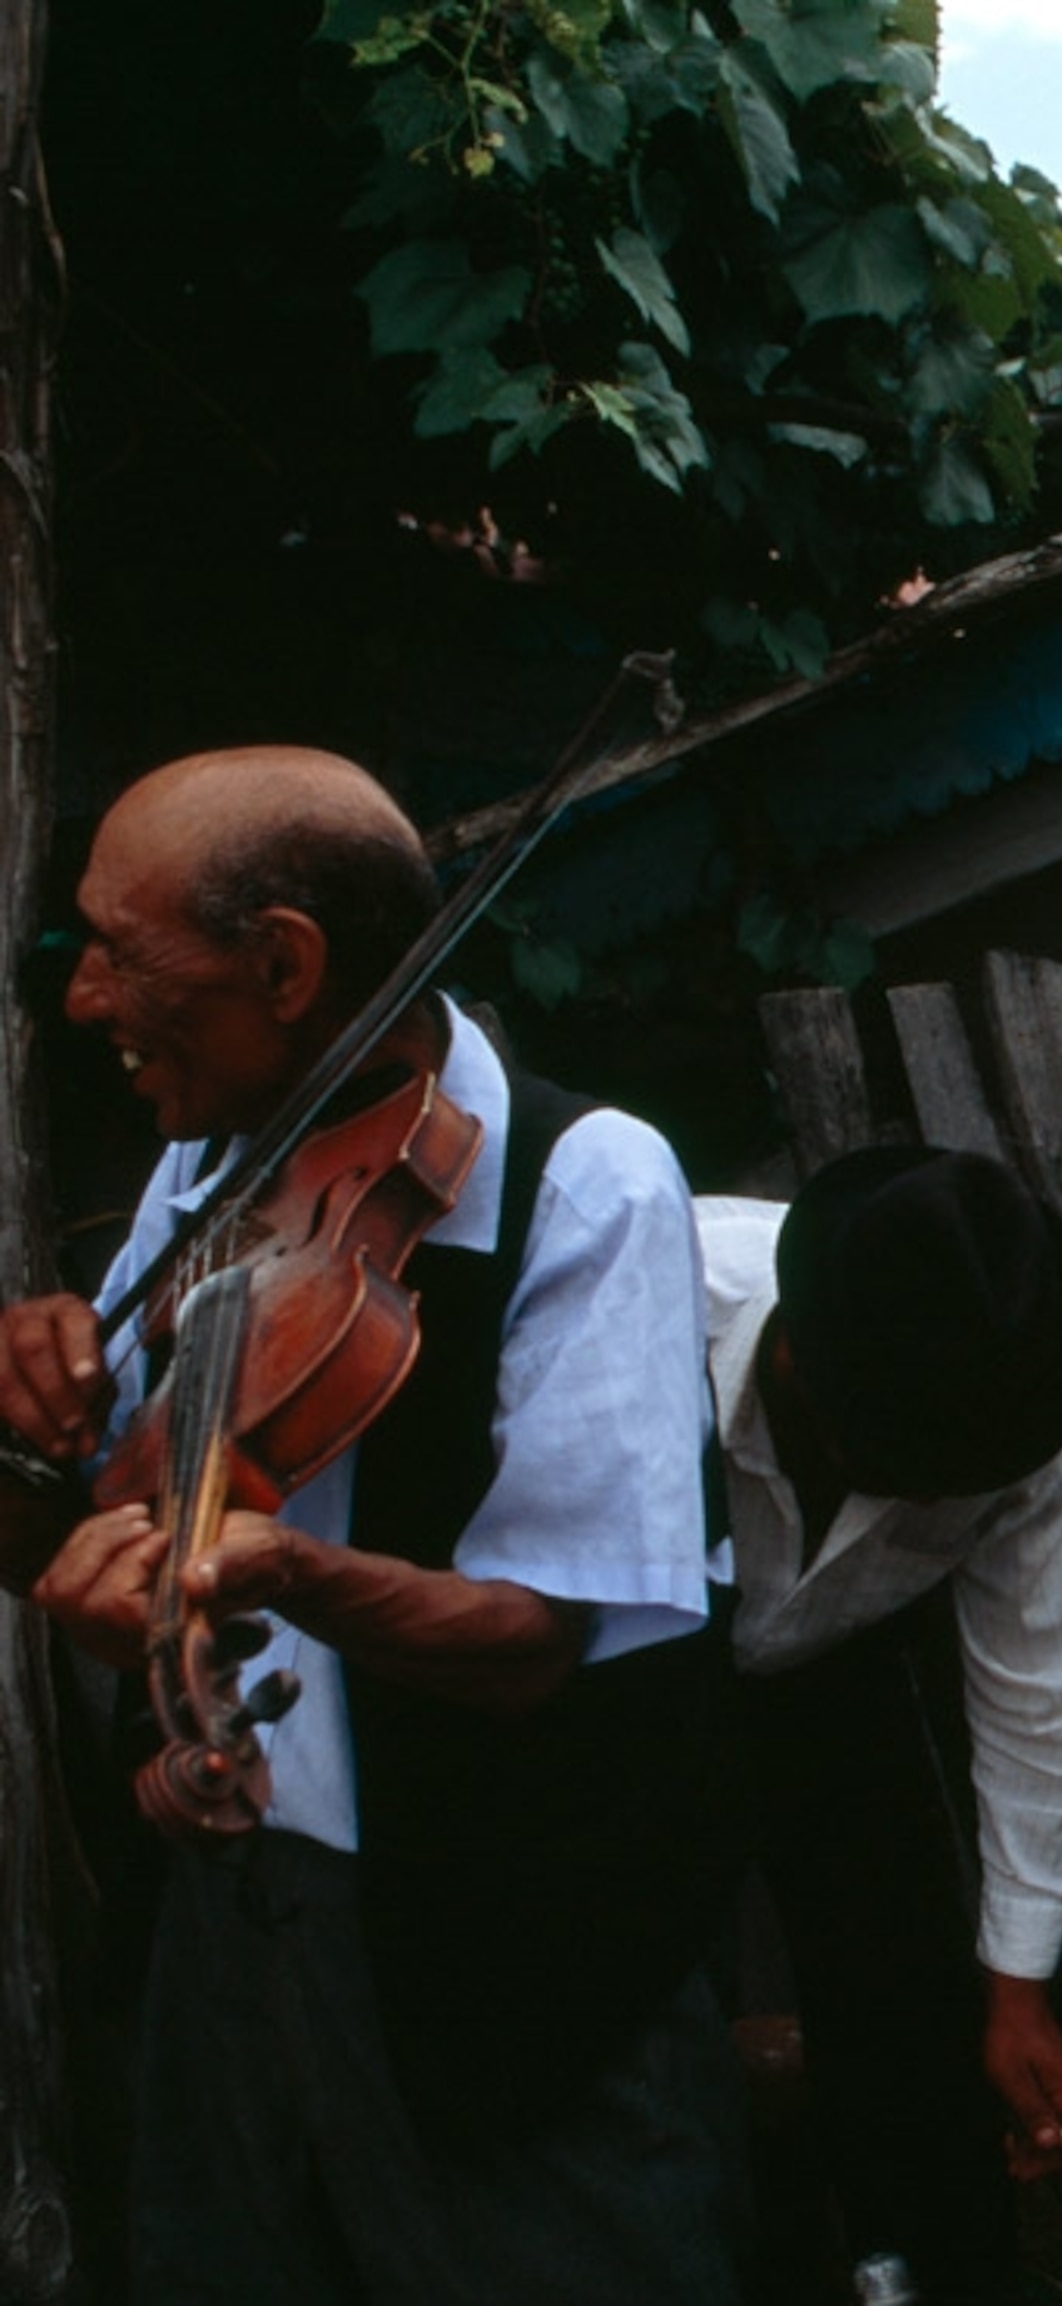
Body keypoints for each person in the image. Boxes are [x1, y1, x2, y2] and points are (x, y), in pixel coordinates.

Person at [0, 746, 745, 2303]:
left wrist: (290, 1570)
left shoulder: (587, 1180)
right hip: (241, 1916)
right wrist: (52, 1400)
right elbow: (132, 1481)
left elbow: (540, 1639)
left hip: (507, 1960)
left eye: (124, 957)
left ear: (285, 965)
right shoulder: (216, 1152)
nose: (82, 1004)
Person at [699, 1145, 1062, 2302]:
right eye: (910, 1475)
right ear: (796, 1366)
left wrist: (1018, 1988)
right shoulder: (650, 1304)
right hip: (607, 1670)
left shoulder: (1012, 1393)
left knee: (914, 2019)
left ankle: (925, 2267)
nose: (937, 1501)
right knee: (640, 2064)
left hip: (826, 1668)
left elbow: (1041, 1682)